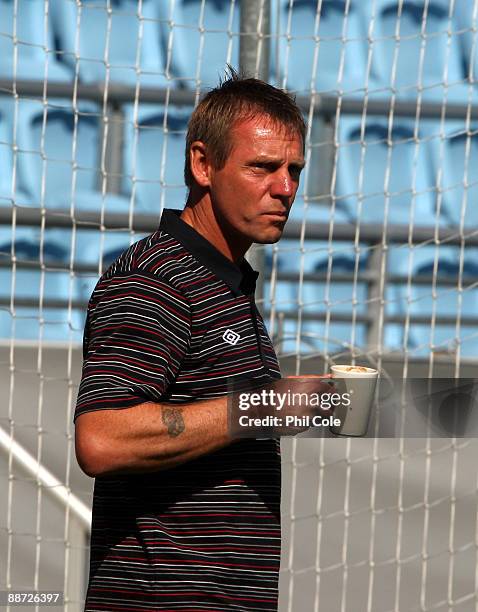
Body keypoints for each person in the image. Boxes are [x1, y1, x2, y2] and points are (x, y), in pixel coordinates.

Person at [74, 69, 333, 611]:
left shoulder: (226, 284)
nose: (285, 188)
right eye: (263, 167)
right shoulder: (157, 277)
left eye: (294, 170)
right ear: (202, 164)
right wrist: (265, 408)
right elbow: (102, 439)